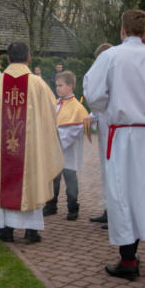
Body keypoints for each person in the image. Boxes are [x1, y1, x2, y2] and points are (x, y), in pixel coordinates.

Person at [83, 9, 145, 280]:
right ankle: (131, 253)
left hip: (121, 133)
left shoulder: (111, 56)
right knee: (142, 191)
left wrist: (110, 107)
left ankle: (128, 261)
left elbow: (93, 94)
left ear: (122, 30)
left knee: (121, 192)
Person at [0, 41, 64, 243]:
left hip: (3, 149)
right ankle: (31, 231)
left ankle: (6, 230)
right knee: (31, 179)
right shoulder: (39, 84)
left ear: (7, 59)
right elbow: (51, 116)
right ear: (28, 59)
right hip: (29, 150)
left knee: (3, 179)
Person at [43, 71, 88, 221]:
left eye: (60, 85)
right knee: (53, 179)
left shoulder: (78, 108)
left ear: (70, 86)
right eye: (56, 85)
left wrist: (58, 141)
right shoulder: (55, 104)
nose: (57, 88)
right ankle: (51, 205)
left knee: (70, 179)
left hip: (68, 151)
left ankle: (73, 207)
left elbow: (75, 130)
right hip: (55, 150)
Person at [88, 43, 113, 229]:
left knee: (113, 174)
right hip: (104, 132)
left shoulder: (114, 77)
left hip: (113, 131)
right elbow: (97, 106)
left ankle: (114, 213)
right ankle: (107, 210)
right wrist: (90, 117)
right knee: (106, 173)